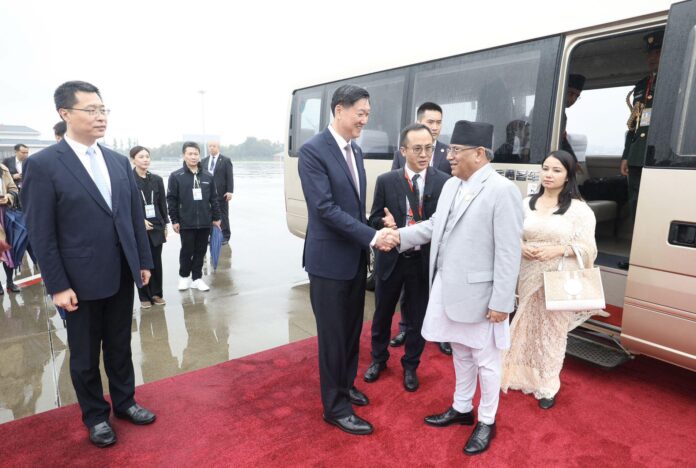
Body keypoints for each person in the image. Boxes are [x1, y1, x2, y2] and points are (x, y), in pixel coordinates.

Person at [21, 80, 156, 448]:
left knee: (120, 345)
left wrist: (142, 261)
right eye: (91, 110)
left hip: (121, 272)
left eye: (103, 110)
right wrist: (58, 285)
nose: (100, 117)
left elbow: (131, 217)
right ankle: (96, 416)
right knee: (84, 355)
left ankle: (125, 402)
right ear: (65, 113)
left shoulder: (117, 161)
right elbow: (41, 233)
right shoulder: (43, 165)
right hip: (78, 281)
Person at [385, 120, 523, 455]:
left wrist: (502, 301)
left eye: (456, 150)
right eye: (449, 150)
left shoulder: (502, 190)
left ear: (479, 153)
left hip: (483, 296)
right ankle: (462, 408)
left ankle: (487, 420)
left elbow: (509, 251)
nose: (448, 156)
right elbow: (435, 225)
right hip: (449, 289)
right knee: (460, 352)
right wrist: (399, 236)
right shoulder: (451, 186)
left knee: (486, 361)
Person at [298, 84, 394, 436]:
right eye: (360, 113)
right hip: (328, 264)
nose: (365, 120)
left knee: (352, 331)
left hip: (354, 259)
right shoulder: (313, 152)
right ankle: (335, 408)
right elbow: (324, 209)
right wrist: (373, 237)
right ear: (340, 110)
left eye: (368, 114)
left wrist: (376, 224)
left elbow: (352, 208)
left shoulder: (356, 150)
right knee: (333, 337)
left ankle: (346, 385)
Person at [501, 150, 603, 409]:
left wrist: (558, 250)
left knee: (552, 332)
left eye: (556, 170)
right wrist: (521, 246)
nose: (548, 174)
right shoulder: (527, 203)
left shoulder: (579, 210)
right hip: (528, 272)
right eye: (545, 168)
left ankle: (547, 385)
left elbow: (589, 249)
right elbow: (513, 233)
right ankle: (519, 374)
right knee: (526, 324)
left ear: (568, 176)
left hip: (557, 277)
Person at [364, 123, 449, 392]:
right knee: (382, 313)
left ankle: (411, 365)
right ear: (403, 151)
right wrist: (384, 224)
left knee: (417, 317)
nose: (424, 154)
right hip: (391, 261)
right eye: (417, 149)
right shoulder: (386, 181)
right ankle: (378, 359)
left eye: (429, 149)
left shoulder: (444, 182)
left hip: (423, 262)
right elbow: (373, 218)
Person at [390, 101, 453, 356]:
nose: (435, 127)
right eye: (430, 122)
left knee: (438, 285)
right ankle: (405, 326)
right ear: (419, 122)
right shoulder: (403, 151)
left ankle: (441, 333)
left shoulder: (448, 152)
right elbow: (395, 186)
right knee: (409, 287)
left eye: (439, 122)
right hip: (411, 234)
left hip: (437, 232)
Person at [620, 30, 662, 232]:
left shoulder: (679, 79)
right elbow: (634, 124)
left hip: (660, 154)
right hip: (637, 155)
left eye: (657, 52)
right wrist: (626, 155)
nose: (652, 58)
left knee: (657, 204)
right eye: (650, 53)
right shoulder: (641, 86)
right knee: (636, 202)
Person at [167, 141, 221, 292]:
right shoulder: (176, 176)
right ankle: (184, 277)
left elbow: (214, 199)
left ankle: (197, 279)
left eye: (196, 154)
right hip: (186, 222)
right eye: (190, 154)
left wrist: (216, 218)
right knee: (187, 250)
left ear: (199, 155)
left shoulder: (208, 176)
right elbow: (171, 200)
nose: (193, 157)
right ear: (184, 155)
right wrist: (174, 220)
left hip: (204, 221)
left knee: (201, 251)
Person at [130, 146, 169, 308]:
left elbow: (162, 204)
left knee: (156, 262)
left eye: (147, 156)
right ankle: (144, 296)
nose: (145, 159)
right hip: (138, 228)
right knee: (141, 262)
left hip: (156, 226)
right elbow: (126, 205)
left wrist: (165, 224)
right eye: (141, 157)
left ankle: (157, 293)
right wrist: (139, 220)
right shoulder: (128, 180)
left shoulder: (157, 180)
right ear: (133, 160)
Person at [201, 141, 234, 245]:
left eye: (214, 146)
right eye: (210, 146)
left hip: (221, 193)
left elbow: (229, 176)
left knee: (223, 215)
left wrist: (230, 191)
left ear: (218, 147)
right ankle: (212, 236)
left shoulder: (225, 160)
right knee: (209, 215)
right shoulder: (204, 161)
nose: (211, 148)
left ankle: (225, 236)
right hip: (207, 193)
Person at [0, 163, 20, 294]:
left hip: (4, 214)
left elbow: (13, 189)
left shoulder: (3, 169)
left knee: (8, 250)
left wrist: (8, 197)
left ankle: (9, 282)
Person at [561, 73, 585, 163]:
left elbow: (563, 140)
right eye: (571, 94)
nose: (573, 99)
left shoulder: (562, 115)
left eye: (577, 96)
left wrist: (574, 161)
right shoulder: (548, 112)